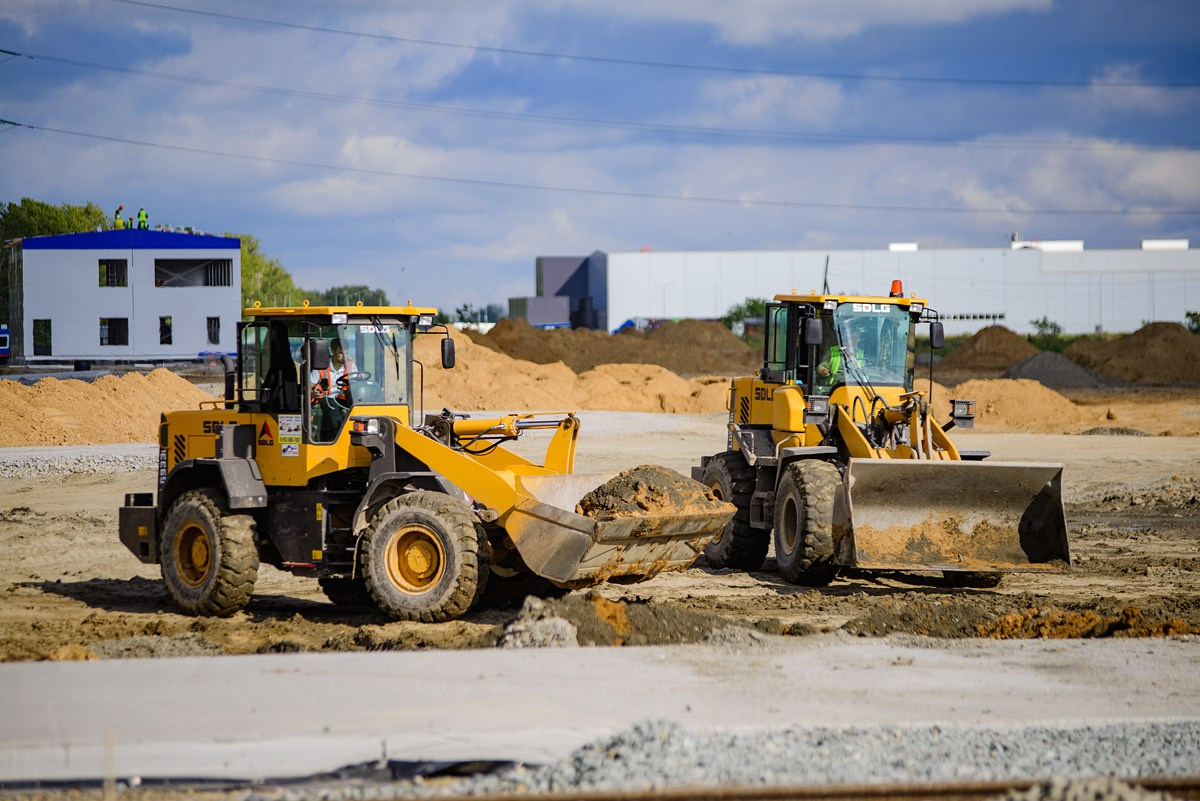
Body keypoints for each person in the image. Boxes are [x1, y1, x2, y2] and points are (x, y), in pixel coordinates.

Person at [310, 339, 355, 404]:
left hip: (345, 399)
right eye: (341, 353)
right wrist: (312, 392)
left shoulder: (351, 365)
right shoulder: (321, 366)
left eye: (346, 353)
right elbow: (310, 386)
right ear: (333, 351)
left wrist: (360, 378)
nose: (345, 356)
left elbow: (356, 382)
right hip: (326, 399)